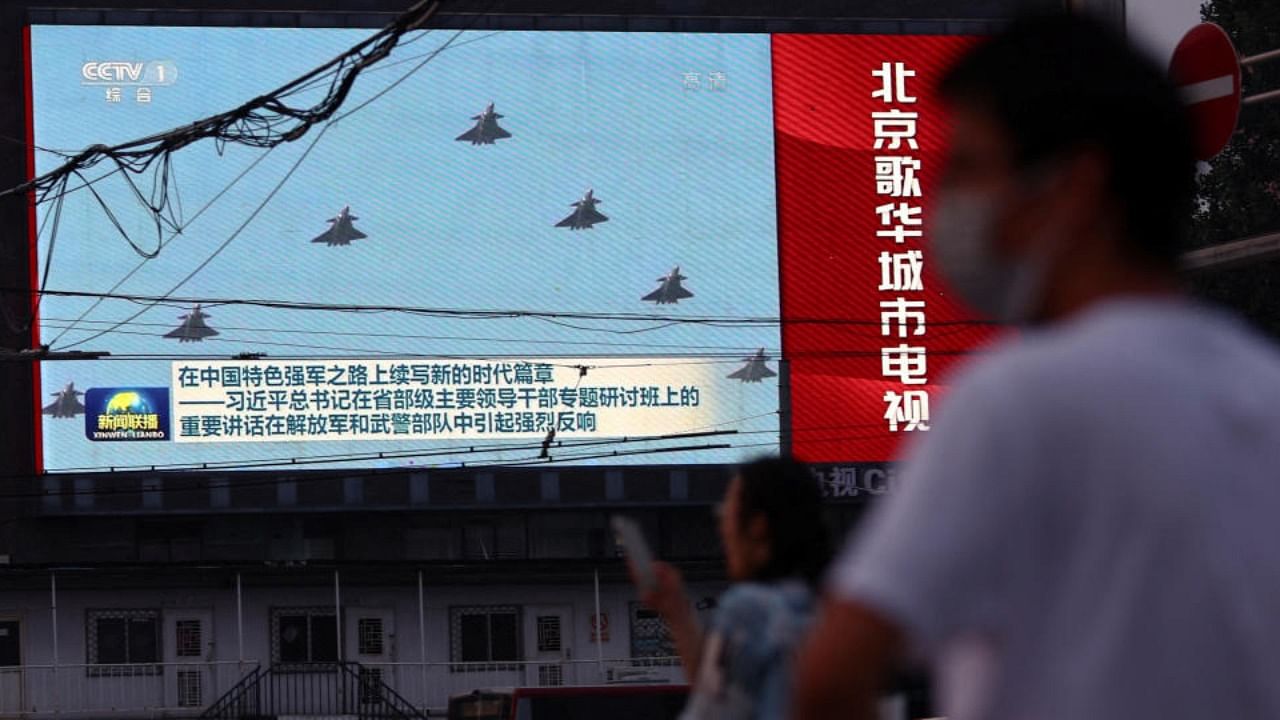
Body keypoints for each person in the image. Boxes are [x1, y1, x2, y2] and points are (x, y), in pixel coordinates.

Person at [792, 13, 1280, 720]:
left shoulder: (1016, 400)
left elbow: (831, 678)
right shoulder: (1262, 389)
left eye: (970, 169)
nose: (946, 205)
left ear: (1074, 186)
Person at [633, 456, 831, 720]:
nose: (723, 528)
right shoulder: (831, 607)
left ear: (758, 526)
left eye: (725, 514)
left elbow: (709, 712)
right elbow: (724, 690)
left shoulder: (748, 608)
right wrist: (677, 612)